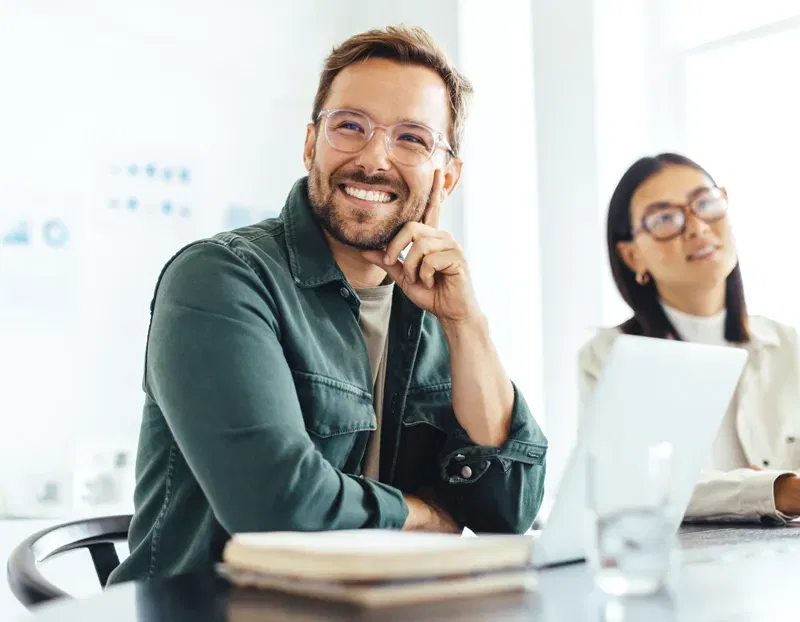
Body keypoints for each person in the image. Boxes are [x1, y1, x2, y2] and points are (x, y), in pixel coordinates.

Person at [108, 25, 547, 584]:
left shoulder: (436, 306)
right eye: (350, 127)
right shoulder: (219, 279)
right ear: (312, 144)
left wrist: (466, 323)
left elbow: (510, 509)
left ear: (448, 175)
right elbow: (276, 508)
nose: (374, 158)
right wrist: (426, 515)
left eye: (411, 138)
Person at [579, 152, 800, 524]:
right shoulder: (608, 357)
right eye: (665, 218)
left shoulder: (789, 346)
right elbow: (627, 488)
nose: (697, 228)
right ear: (632, 256)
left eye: (706, 203)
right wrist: (774, 490)